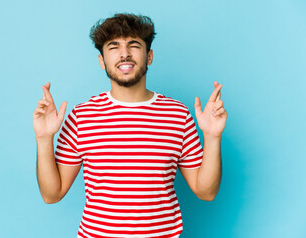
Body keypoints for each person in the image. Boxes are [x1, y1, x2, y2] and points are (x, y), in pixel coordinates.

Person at [33, 13, 227, 238]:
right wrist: (44, 138)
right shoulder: (82, 116)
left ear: (149, 56)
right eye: (113, 47)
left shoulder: (177, 114)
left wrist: (213, 137)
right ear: (101, 60)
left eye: (134, 45)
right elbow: (51, 194)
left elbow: (206, 192)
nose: (124, 54)